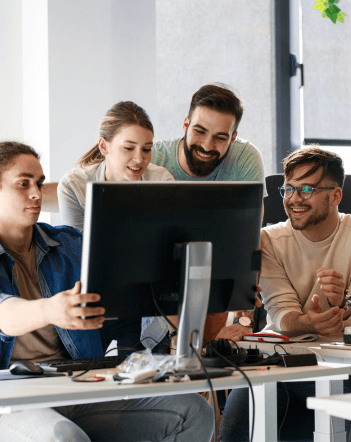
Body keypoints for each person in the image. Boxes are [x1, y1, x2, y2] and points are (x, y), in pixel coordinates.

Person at [0, 141, 214, 442]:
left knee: (193, 412)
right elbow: (4, 314)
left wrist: (207, 285)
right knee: (62, 438)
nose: (36, 193)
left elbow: (123, 310)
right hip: (10, 398)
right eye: (23, 184)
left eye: (38, 182)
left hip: (75, 386)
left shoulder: (70, 245)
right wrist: (51, 310)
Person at [220, 146, 351, 442]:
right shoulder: (269, 240)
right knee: (235, 428)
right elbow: (283, 314)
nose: (294, 199)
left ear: (335, 196)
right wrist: (308, 323)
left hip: (343, 364)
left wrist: (344, 306)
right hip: (281, 361)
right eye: (289, 189)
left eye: (307, 189)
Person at [56, 101, 174, 354]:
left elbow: (166, 250)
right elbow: (75, 252)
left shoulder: (160, 180)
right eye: (129, 148)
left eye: (146, 149)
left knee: (140, 374)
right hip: (93, 295)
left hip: (142, 295)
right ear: (104, 146)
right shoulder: (74, 185)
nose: (139, 159)